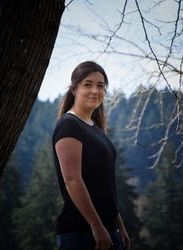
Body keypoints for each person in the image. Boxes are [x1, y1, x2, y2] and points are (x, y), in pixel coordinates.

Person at [52, 61, 131, 250]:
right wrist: (96, 225)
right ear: (74, 89)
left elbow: (104, 184)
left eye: (101, 86)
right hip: (82, 233)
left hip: (108, 231)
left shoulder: (95, 127)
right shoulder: (69, 125)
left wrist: (119, 226)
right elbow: (72, 180)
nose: (95, 90)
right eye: (88, 84)